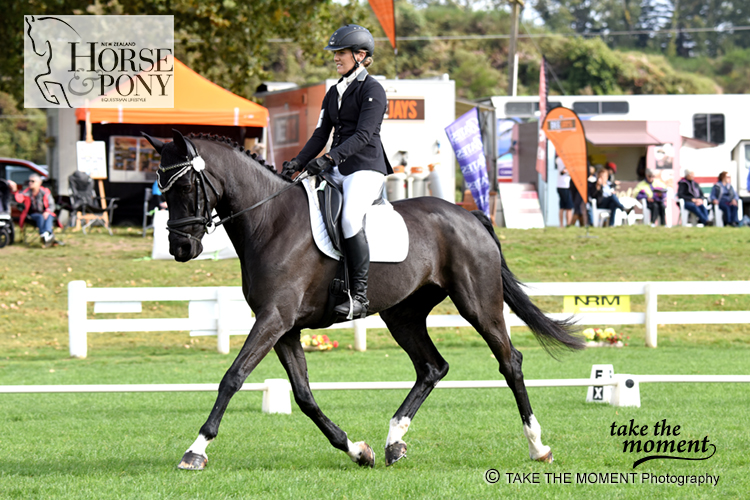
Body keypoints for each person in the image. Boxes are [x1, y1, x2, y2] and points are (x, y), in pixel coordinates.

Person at [282, 24, 393, 319]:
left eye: (341, 53)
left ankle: (358, 296)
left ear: (360, 55)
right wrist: (299, 161)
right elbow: (321, 134)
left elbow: (365, 135)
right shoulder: (333, 92)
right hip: (337, 168)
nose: (335, 58)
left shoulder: (373, 90)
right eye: (335, 53)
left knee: (349, 218)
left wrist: (329, 159)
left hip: (366, 168)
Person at [8, 174, 59, 246]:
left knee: (49, 216)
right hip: (32, 215)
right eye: (29, 181)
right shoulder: (26, 192)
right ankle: (46, 235)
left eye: (32, 181)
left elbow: (52, 205)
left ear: (39, 183)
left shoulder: (45, 192)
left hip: (46, 213)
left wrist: (47, 211)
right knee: (40, 217)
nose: (30, 183)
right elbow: (18, 199)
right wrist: (14, 189)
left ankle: (46, 234)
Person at [556, 156, 573, 227]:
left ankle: (561, 225)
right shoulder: (565, 159)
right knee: (569, 207)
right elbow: (563, 171)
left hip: (560, 185)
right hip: (566, 185)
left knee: (562, 206)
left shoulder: (558, 159)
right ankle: (568, 224)